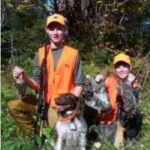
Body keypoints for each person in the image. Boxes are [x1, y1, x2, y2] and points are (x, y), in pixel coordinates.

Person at [7, 13, 83, 132]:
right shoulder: (41, 53)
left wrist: (70, 104)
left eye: (59, 28)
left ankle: (50, 135)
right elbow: (37, 84)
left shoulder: (73, 54)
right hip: (42, 100)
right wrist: (24, 77)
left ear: (64, 29)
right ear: (47, 30)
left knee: (58, 134)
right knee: (14, 106)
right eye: (52, 28)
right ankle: (34, 136)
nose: (55, 32)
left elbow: (79, 85)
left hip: (61, 105)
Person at [94, 53, 140, 149]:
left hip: (125, 119)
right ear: (114, 69)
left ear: (130, 67)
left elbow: (134, 102)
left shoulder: (134, 83)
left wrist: (130, 86)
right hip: (109, 118)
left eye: (125, 66)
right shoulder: (109, 80)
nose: (121, 69)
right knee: (106, 141)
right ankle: (103, 137)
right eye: (118, 67)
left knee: (136, 114)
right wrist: (99, 78)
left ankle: (130, 136)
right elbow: (97, 88)